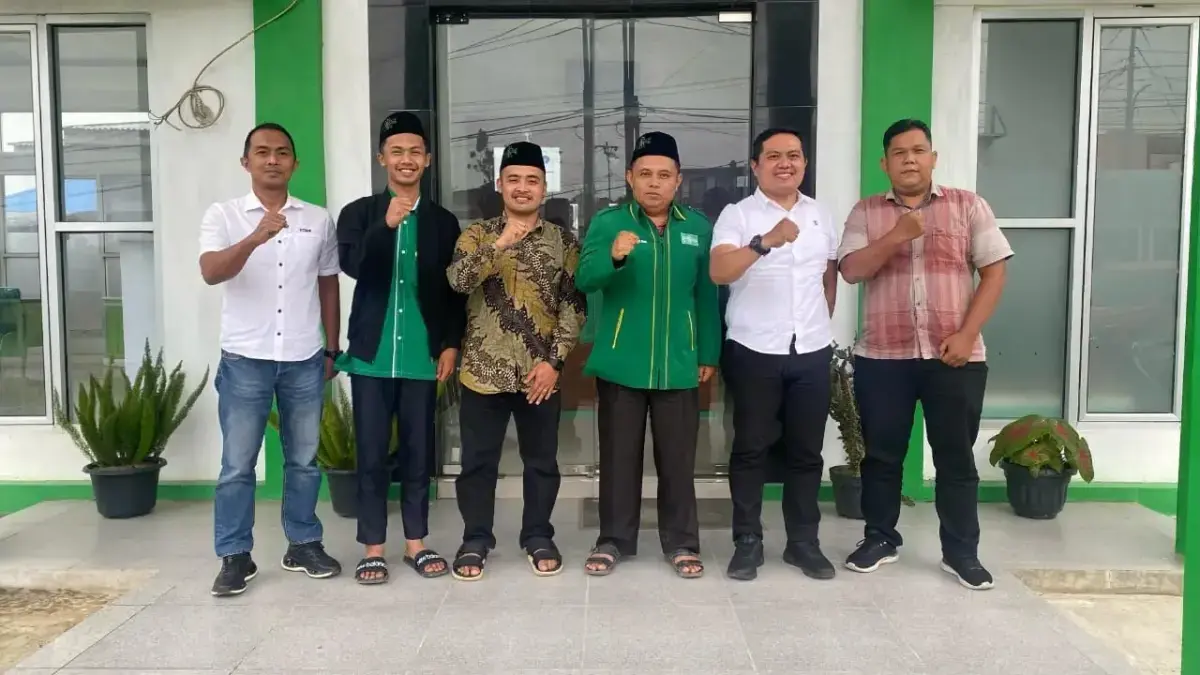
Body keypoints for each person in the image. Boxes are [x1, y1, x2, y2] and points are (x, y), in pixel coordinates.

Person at [837, 119, 1012, 590]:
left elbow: (994, 273)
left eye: (918, 150)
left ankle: (961, 552)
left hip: (953, 356)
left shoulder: (968, 206)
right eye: (899, 153)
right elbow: (851, 270)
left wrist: (967, 334)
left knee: (955, 458)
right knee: (881, 457)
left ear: (933, 158)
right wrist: (897, 235)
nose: (909, 159)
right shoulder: (866, 212)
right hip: (883, 357)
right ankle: (880, 538)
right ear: (885, 163)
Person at [199, 122, 342, 597]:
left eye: (282, 152)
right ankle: (235, 555)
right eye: (262, 152)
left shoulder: (317, 218)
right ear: (247, 162)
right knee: (237, 465)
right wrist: (254, 238)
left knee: (304, 461)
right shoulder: (224, 215)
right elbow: (211, 272)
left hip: (303, 356)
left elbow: (328, 282)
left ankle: (303, 544)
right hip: (245, 358)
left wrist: (332, 345)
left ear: (295, 163)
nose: (273, 160)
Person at [575, 131, 720, 579]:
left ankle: (682, 542)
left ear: (678, 180)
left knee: (678, 459)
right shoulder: (608, 223)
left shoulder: (698, 227)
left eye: (663, 175)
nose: (654, 183)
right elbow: (584, 279)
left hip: (679, 361)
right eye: (645, 174)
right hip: (622, 360)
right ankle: (613, 540)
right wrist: (614, 257)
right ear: (629, 178)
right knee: (619, 458)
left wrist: (708, 351)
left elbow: (707, 295)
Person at [334, 111, 466, 584]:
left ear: (427, 160)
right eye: (397, 151)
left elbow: (454, 290)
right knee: (370, 454)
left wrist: (450, 344)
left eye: (415, 151)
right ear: (382, 159)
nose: (406, 159)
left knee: (417, 452)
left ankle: (416, 543)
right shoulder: (359, 214)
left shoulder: (443, 222)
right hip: (371, 356)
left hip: (421, 357)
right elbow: (354, 267)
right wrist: (385, 227)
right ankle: (373, 547)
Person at [446, 141, 586, 580]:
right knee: (477, 463)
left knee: (541, 462)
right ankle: (475, 538)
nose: (523, 188)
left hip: (539, 374)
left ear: (544, 188)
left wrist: (554, 363)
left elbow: (574, 306)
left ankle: (538, 534)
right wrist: (502, 243)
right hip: (482, 372)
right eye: (514, 180)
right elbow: (458, 281)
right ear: (499, 185)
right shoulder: (476, 235)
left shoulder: (563, 242)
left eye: (532, 180)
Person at [709, 127, 839, 581]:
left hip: (811, 350)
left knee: (806, 452)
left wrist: (821, 319)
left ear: (804, 163)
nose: (786, 163)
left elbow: (828, 273)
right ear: (756, 165)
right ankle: (748, 541)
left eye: (794, 155)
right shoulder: (737, 215)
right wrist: (764, 242)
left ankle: (803, 543)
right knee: (750, 450)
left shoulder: (820, 213)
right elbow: (719, 271)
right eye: (775, 156)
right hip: (754, 349)